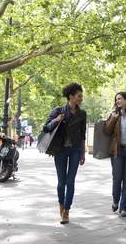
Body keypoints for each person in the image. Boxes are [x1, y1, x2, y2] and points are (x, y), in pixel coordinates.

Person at [43, 83, 87, 224]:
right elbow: (46, 128)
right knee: (61, 182)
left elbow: (82, 135)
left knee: (70, 181)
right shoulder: (58, 111)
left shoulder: (82, 114)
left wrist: (82, 152)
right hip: (60, 150)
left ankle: (67, 210)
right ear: (71, 96)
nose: (81, 98)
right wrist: (57, 120)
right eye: (79, 96)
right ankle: (61, 204)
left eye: (81, 96)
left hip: (75, 150)